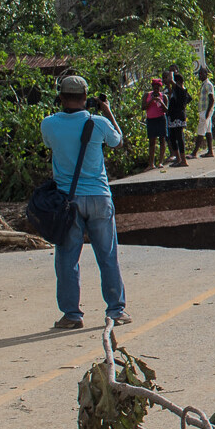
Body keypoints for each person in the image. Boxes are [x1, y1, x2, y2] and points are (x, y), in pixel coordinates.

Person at [42, 76, 129, 329]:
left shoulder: (49, 124)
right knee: (108, 255)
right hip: (100, 197)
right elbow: (118, 141)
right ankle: (116, 310)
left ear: (60, 97)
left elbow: (50, 145)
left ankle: (71, 314)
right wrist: (108, 110)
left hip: (68, 201)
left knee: (67, 259)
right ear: (85, 96)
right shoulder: (98, 122)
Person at [164, 73, 191, 168]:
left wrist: (171, 73)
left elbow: (172, 81)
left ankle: (183, 160)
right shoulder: (176, 91)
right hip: (173, 116)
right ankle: (178, 158)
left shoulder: (181, 90)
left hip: (178, 116)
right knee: (172, 137)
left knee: (179, 138)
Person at [140, 78, 167, 170]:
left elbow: (166, 110)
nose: (156, 90)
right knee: (152, 142)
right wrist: (151, 100)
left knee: (162, 140)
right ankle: (151, 163)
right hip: (151, 120)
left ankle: (160, 162)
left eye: (158, 88)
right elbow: (143, 107)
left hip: (161, 119)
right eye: (155, 88)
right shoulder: (147, 95)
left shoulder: (163, 96)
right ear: (152, 87)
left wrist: (161, 102)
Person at [194, 68, 215, 158]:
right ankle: (210, 151)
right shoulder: (204, 85)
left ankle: (194, 152)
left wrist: (207, 112)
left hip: (206, 110)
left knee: (201, 131)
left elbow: (211, 99)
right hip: (205, 110)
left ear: (206, 74)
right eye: (199, 74)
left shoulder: (208, 85)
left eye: (201, 74)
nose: (200, 76)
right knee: (208, 131)